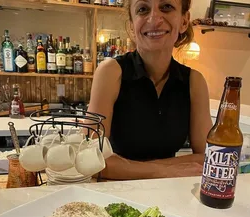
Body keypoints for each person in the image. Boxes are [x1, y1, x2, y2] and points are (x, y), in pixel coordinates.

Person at [87, 0, 213, 180]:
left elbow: (207, 158)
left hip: (170, 194)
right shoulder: (111, 72)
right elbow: (89, 160)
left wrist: (123, 166)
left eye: (166, 7)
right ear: (131, 26)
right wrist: (166, 171)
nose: (154, 18)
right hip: (115, 194)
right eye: (143, 9)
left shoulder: (194, 81)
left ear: (184, 21)